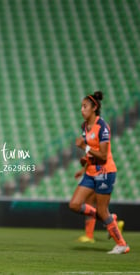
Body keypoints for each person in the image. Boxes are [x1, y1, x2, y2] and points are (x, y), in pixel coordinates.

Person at [69, 91, 129, 254]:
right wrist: (83, 166)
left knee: (103, 210)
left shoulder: (102, 126)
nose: (82, 110)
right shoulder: (84, 127)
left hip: (104, 171)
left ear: (94, 107)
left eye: (85, 106)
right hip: (90, 171)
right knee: (74, 204)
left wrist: (83, 147)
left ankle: (122, 244)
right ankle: (110, 220)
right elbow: (92, 151)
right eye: (81, 106)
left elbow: (102, 154)